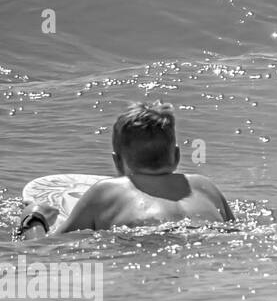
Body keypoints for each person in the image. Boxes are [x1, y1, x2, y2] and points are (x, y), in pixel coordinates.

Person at [17, 101, 234, 235]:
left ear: (117, 162)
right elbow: (235, 230)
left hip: (144, 244)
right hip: (206, 241)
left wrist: (34, 218)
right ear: (176, 156)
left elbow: (46, 251)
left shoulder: (105, 192)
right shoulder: (205, 186)